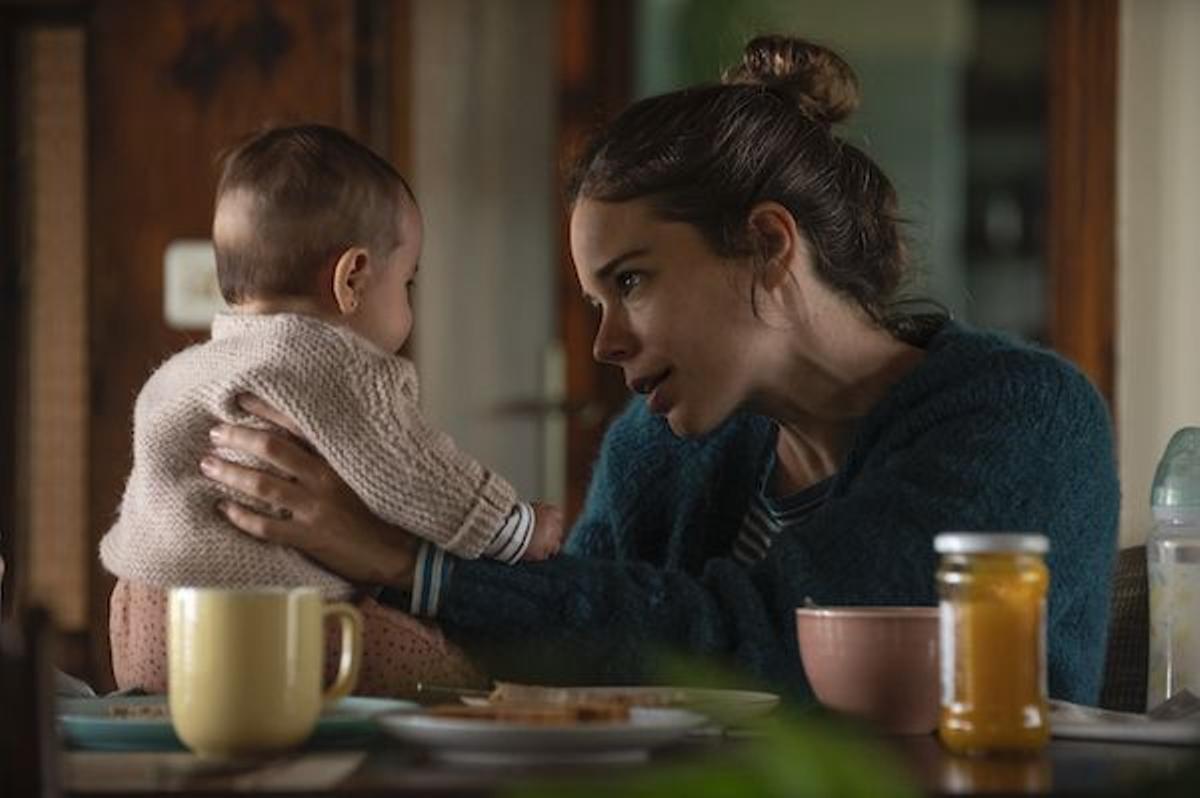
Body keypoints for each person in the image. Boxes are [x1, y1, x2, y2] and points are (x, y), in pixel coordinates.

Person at [198, 37, 1119, 704]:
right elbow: (580, 645)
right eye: (596, 301)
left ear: (766, 244)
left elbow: (773, 642)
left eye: (630, 282)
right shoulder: (655, 447)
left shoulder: (1019, 416)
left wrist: (400, 557)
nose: (604, 344)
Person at [100, 124, 563, 693]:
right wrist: (513, 527)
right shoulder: (331, 364)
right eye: (408, 282)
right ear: (353, 278)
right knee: (456, 675)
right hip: (255, 622)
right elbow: (415, 474)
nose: (409, 303)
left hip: (139, 622)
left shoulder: (183, 373)